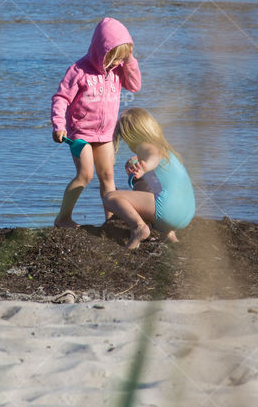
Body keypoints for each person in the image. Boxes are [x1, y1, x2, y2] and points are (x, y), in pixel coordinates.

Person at [51, 17, 142, 228]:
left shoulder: (119, 70)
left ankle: (110, 220)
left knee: (108, 175)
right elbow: (61, 98)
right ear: (102, 50)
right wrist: (58, 125)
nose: (117, 63)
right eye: (114, 58)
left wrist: (129, 61)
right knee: (85, 174)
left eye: (121, 59)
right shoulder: (79, 70)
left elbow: (135, 85)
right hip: (80, 134)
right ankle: (63, 218)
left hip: (105, 134)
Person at [103, 108, 195, 249]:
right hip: (186, 213)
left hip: (169, 211)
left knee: (110, 198)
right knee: (146, 189)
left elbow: (153, 156)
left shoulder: (146, 146)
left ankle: (139, 228)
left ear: (131, 134)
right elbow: (147, 187)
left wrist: (144, 167)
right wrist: (136, 175)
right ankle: (168, 235)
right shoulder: (167, 150)